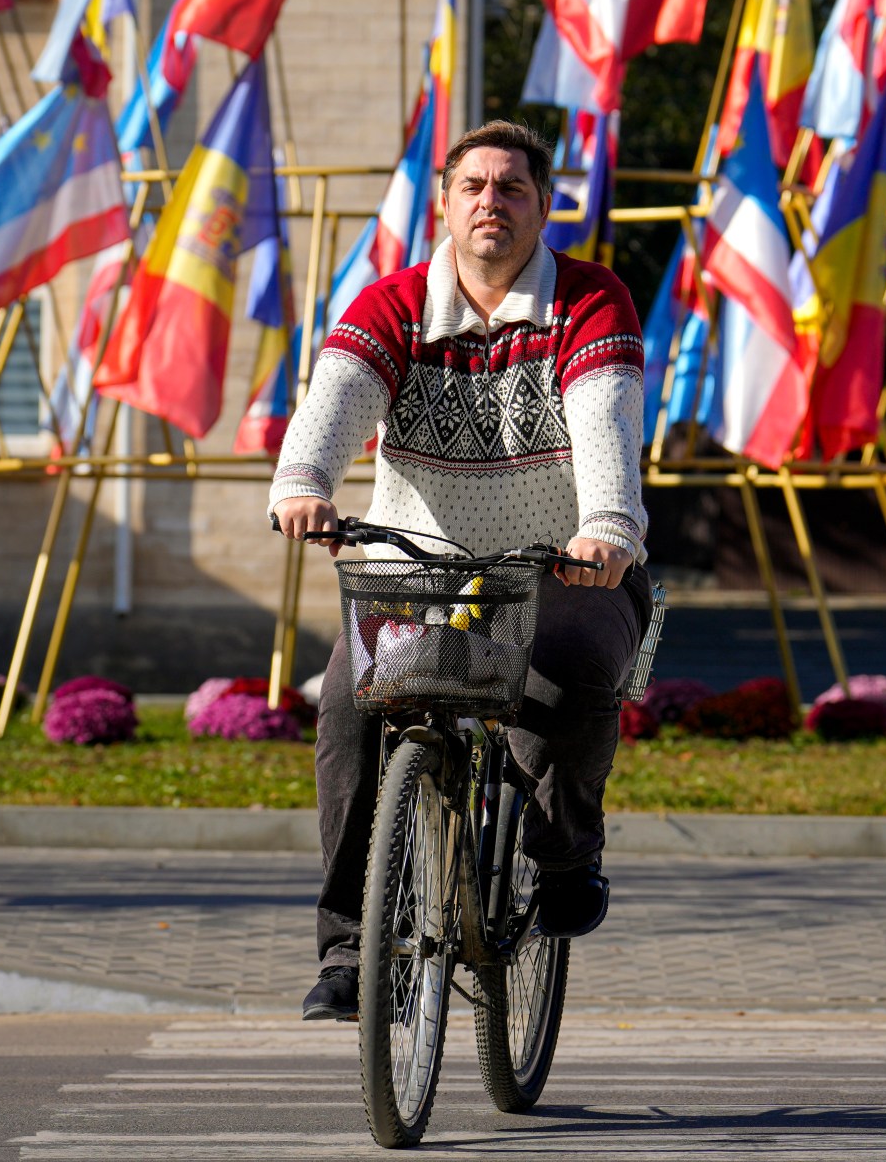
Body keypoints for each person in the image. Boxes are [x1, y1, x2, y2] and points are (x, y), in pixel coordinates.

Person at [270, 119, 653, 1024]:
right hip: (421, 575)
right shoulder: (394, 305)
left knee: (573, 680)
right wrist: (302, 483)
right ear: (444, 204)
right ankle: (351, 952)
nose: (492, 202)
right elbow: (333, 403)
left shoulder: (589, 302)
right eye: (473, 186)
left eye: (513, 187)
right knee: (348, 711)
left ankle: (562, 858)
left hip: (565, 568)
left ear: (543, 204)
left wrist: (605, 527)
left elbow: (606, 423)